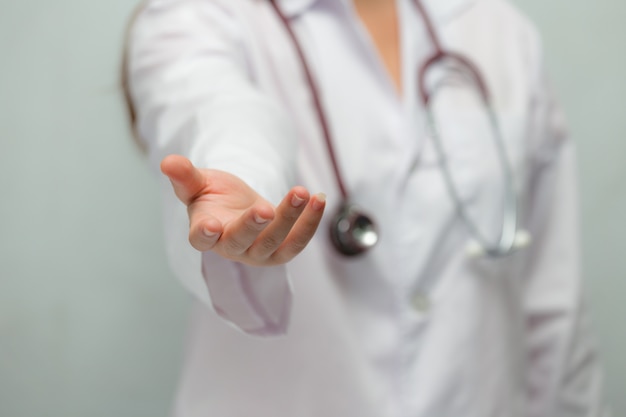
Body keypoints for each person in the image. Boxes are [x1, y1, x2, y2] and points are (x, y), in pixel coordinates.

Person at [124, 0, 608, 415]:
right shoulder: (194, 18)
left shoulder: (495, 28)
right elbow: (217, 107)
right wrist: (240, 176)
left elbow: (552, 302)